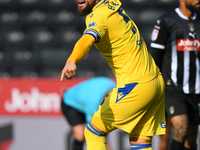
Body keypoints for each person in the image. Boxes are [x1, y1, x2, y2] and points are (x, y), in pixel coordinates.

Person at [60, 0, 166, 149]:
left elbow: (87, 38)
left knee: (92, 133)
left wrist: (72, 59)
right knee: (140, 143)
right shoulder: (113, 5)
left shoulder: (98, 15)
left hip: (136, 85)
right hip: (155, 82)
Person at [150, 0, 200, 149]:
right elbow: (155, 56)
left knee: (191, 140)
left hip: (196, 89)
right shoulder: (166, 20)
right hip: (173, 88)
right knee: (181, 128)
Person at [61, 77, 116, 150]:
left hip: (85, 102)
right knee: (80, 135)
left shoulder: (116, 89)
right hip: (70, 103)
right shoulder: (93, 102)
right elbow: (95, 130)